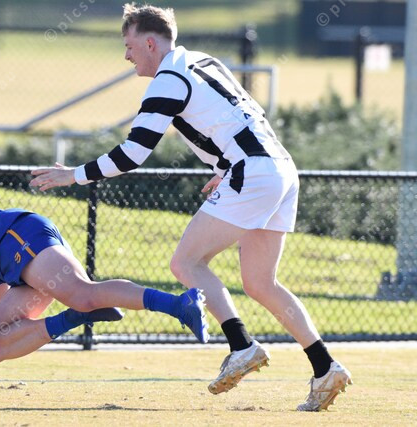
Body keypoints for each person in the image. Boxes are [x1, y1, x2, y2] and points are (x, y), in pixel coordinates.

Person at [29, 3, 352, 411]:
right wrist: (227, 167)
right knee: (260, 282)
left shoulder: (168, 79)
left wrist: (73, 175)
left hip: (254, 172)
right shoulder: (203, 61)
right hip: (281, 168)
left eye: (129, 45)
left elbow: (133, 154)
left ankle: (241, 345)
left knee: (186, 263)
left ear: (150, 43)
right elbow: (242, 117)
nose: (126, 55)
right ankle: (325, 367)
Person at [0, 182, 208, 362]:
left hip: (20, 239)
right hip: (20, 247)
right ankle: (74, 318)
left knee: (83, 294)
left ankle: (179, 304)